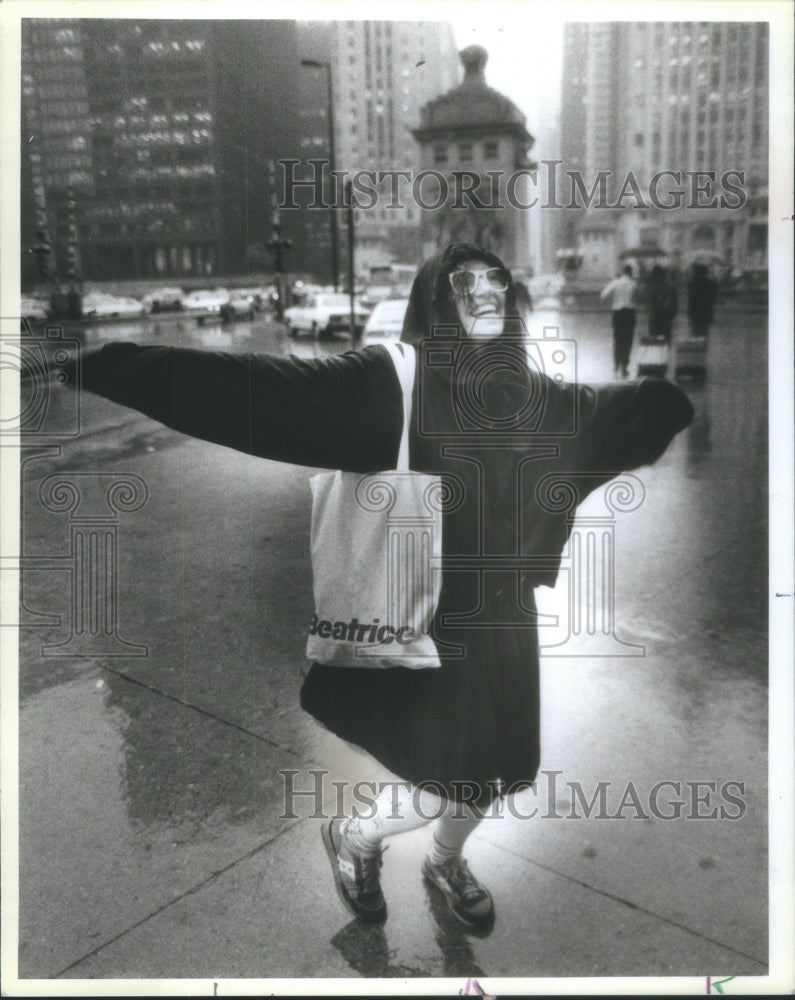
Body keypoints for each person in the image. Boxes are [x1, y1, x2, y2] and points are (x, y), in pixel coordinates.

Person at [74, 242, 693, 930]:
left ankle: (443, 861)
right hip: (416, 619)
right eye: (466, 288)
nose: (485, 299)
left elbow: (602, 418)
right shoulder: (390, 382)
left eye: (498, 286)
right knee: (445, 780)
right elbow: (253, 391)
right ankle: (356, 838)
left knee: (500, 769)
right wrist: (101, 366)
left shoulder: (528, 393)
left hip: (501, 623)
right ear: (434, 302)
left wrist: (658, 401)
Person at [600, 264, 638, 378]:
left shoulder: (616, 283)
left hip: (618, 313)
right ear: (630, 273)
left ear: (622, 272)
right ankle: (624, 367)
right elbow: (637, 298)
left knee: (618, 339)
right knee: (628, 340)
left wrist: (614, 300)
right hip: (630, 313)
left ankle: (616, 364)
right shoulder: (634, 283)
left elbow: (603, 295)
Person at [646, 265, 678, 343]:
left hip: (654, 318)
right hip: (666, 318)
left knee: (654, 343)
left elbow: (647, 301)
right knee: (666, 342)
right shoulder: (670, 286)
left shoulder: (650, 287)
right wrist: (671, 315)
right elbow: (674, 304)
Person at [687, 263, 719, 339]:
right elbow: (716, 287)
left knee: (695, 336)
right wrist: (712, 273)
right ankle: (703, 349)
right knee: (704, 336)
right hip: (706, 313)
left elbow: (691, 300)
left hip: (695, 314)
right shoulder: (710, 284)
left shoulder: (693, 284)